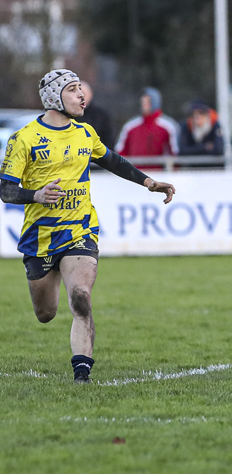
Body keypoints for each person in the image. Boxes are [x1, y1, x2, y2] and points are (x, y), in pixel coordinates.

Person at [0, 69, 175, 383]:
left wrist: (148, 182)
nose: (81, 95)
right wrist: (35, 195)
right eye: (72, 89)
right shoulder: (24, 138)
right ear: (54, 97)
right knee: (45, 313)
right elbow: (5, 189)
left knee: (81, 295)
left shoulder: (85, 132)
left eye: (81, 88)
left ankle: (82, 373)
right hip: (40, 237)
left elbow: (112, 160)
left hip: (80, 230)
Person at [114, 87, 179, 167]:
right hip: (136, 172)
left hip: (159, 173)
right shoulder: (130, 126)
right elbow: (120, 151)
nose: (144, 105)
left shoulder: (168, 126)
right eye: (142, 101)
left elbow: (175, 153)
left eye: (148, 101)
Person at [76, 81, 113, 147]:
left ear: (90, 94)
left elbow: (108, 140)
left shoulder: (101, 116)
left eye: (83, 94)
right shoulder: (66, 115)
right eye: (78, 96)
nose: (81, 98)